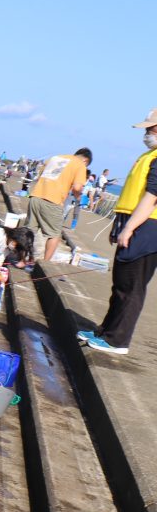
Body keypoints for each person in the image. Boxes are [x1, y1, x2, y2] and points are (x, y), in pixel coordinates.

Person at [76, 109, 157, 354]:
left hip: (147, 228)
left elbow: (152, 197)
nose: (146, 134)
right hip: (132, 223)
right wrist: (119, 225)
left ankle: (117, 340)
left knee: (131, 286)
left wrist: (130, 228)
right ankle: (105, 330)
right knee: (119, 283)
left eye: (150, 129)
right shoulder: (149, 155)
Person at [28, 147, 92, 262]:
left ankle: (22, 259)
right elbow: (77, 187)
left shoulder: (55, 158)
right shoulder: (80, 165)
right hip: (53, 201)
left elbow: (40, 175)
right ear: (85, 160)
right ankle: (45, 264)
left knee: (29, 231)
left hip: (36, 196)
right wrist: (78, 196)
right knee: (54, 235)